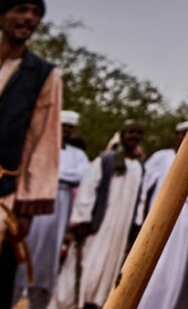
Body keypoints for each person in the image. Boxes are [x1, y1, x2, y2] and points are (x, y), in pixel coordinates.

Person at [0, 0, 62, 309]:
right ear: (0, 16)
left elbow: (44, 143)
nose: (29, 18)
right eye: (22, 10)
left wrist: (27, 205)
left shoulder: (43, 75)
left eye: (35, 14)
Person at [56, 121, 148, 309]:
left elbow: (141, 198)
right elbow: (87, 190)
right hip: (98, 225)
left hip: (121, 229)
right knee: (87, 264)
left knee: (111, 267)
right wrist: (81, 220)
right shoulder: (106, 160)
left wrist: (137, 223)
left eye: (138, 133)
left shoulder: (139, 167)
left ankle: (96, 302)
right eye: (130, 132)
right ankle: (71, 303)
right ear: (123, 136)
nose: (134, 136)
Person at [14, 110, 85, 309]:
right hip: (38, 198)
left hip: (61, 204)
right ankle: (19, 291)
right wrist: (56, 175)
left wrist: (55, 174)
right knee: (28, 245)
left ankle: (40, 298)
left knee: (50, 251)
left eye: (70, 128)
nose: (67, 131)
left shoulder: (77, 154)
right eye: (64, 126)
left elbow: (80, 175)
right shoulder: (39, 148)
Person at [135, 121, 188, 309]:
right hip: (155, 212)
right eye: (181, 134)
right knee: (149, 260)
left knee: (173, 265)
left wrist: (178, 189)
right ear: (175, 136)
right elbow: (144, 184)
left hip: (180, 219)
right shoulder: (161, 157)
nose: (184, 137)